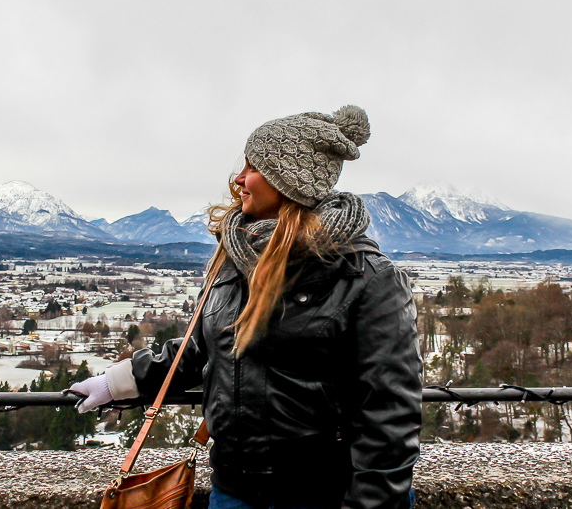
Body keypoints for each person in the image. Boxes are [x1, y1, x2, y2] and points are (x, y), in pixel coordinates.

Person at [70, 106, 421, 509]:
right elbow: (201, 348)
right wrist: (118, 382)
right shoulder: (234, 257)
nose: (238, 179)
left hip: (324, 494)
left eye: (253, 167)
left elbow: (389, 417)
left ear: (288, 181)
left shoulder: (366, 276)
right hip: (235, 492)